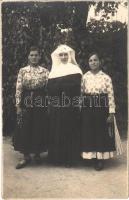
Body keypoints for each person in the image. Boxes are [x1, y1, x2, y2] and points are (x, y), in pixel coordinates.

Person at [81, 52, 123, 170]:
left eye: (95, 60)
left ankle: (99, 159)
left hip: (102, 106)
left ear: (99, 62)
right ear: (88, 63)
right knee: (89, 130)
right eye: (90, 60)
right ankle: (91, 157)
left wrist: (111, 112)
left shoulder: (106, 77)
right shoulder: (85, 77)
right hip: (88, 106)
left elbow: (110, 95)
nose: (93, 62)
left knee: (100, 131)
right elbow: (81, 93)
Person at [13, 46, 49, 169]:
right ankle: (26, 156)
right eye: (32, 55)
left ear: (39, 57)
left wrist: (48, 103)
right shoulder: (23, 71)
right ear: (28, 57)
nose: (34, 57)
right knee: (25, 126)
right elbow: (19, 88)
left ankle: (37, 154)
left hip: (40, 99)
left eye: (36, 55)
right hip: (26, 99)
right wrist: (18, 105)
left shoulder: (44, 71)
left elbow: (48, 89)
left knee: (39, 126)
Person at [47, 44, 82, 167]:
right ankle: (57, 158)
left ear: (69, 55)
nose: (63, 56)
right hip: (57, 106)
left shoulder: (75, 69)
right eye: (61, 55)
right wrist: (63, 86)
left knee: (70, 130)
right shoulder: (54, 71)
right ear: (57, 56)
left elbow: (76, 87)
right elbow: (50, 89)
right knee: (57, 130)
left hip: (70, 105)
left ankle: (70, 159)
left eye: (65, 54)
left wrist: (61, 87)